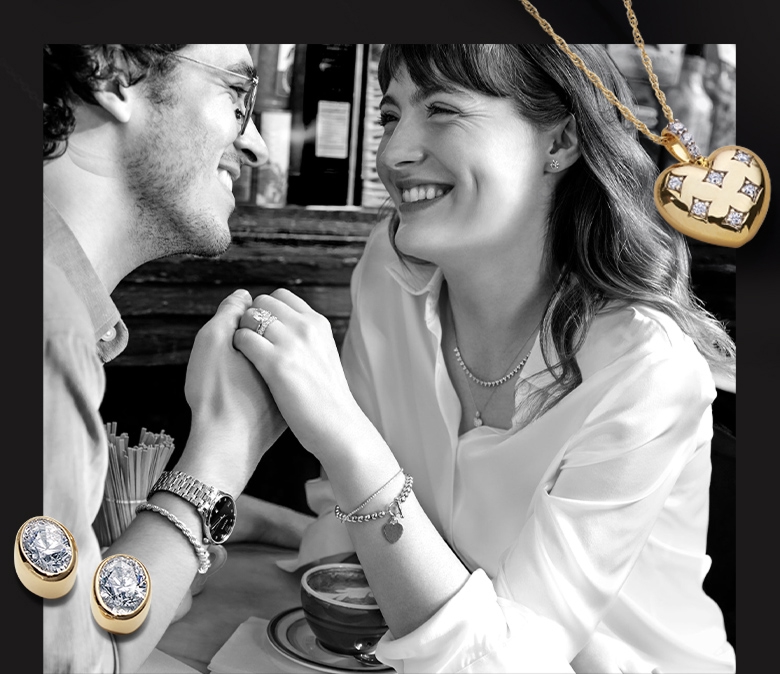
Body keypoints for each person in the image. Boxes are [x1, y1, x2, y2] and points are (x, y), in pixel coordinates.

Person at [233, 44, 737, 672]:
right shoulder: (389, 272)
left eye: (442, 110)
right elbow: (368, 527)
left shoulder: (646, 370)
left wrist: (343, 434)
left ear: (559, 143)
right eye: (391, 118)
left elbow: (508, 659)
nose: (392, 154)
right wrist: (274, 525)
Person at [43, 44, 312, 674]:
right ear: (110, 70)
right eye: (236, 96)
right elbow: (76, 658)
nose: (258, 149)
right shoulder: (49, 325)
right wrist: (227, 447)